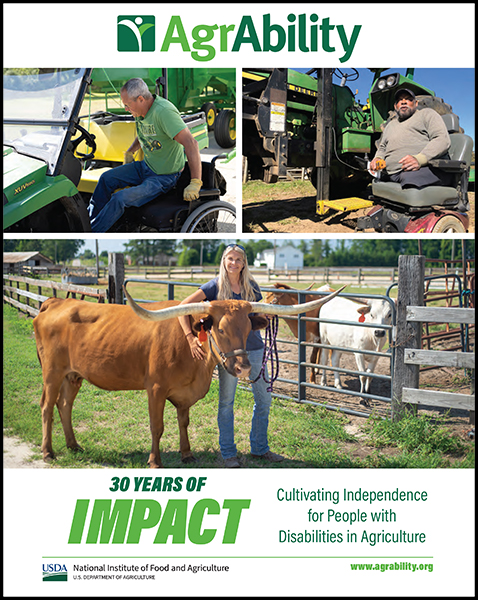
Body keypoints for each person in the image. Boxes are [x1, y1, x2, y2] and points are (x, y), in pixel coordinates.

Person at [178, 244, 284, 468]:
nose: (234, 263)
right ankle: (228, 453)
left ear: (244, 263)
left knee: (264, 400)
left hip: (254, 349)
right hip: (229, 355)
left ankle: (260, 448)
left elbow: (257, 315)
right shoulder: (214, 287)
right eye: (230, 258)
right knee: (226, 402)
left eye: (238, 259)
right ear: (224, 261)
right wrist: (190, 338)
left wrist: (267, 315)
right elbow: (183, 307)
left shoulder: (251, 287)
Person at [87, 77, 203, 232]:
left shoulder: (164, 112)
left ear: (140, 99)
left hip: (163, 176)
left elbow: (191, 143)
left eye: (127, 105)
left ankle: (93, 233)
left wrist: (195, 182)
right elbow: (144, 134)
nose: (126, 109)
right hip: (144, 167)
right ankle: (86, 224)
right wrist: (130, 152)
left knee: (119, 199)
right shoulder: (141, 112)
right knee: (106, 179)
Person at [370, 88, 452, 189]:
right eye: (400, 100)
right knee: (377, 182)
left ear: (416, 103)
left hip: (423, 169)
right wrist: (378, 158)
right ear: (395, 106)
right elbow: (382, 147)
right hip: (392, 173)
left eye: (408, 99)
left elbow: (442, 139)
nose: (403, 101)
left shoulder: (426, 114)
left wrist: (419, 159)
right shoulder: (390, 125)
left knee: (408, 178)